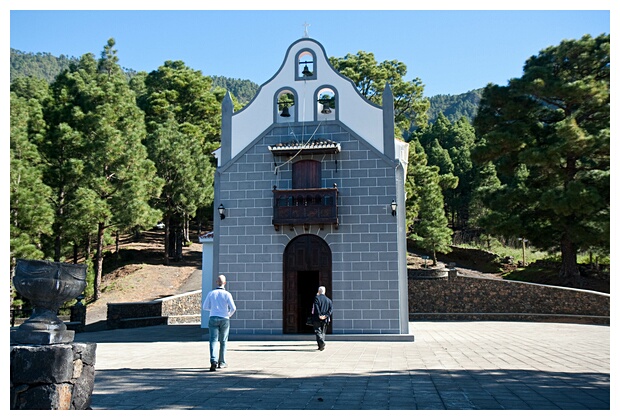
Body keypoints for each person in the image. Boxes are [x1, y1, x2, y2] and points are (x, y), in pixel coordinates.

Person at [203, 274, 236, 371]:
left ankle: (213, 360)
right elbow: (233, 308)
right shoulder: (227, 294)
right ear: (225, 283)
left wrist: (212, 309)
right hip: (224, 318)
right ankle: (222, 362)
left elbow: (205, 307)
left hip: (213, 317)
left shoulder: (211, 293)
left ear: (217, 282)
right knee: (223, 341)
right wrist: (228, 314)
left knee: (213, 340)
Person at [311, 286, 332, 351]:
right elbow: (330, 309)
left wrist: (320, 315)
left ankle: (321, 343)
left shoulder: (317, 298)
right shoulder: (329, 300)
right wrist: (326, 316)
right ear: (324, 291)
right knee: (323, 332)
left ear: (319, 291)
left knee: (317, 331)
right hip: (325, 319)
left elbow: (316, 307)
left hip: (317, 318)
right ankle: (321, 346)